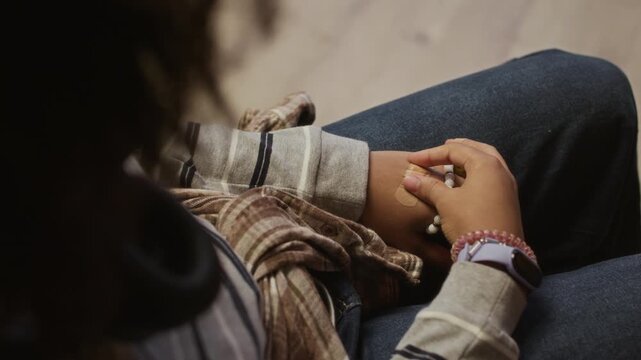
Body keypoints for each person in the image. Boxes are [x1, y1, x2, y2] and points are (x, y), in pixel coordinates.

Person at [3, 1, 640, 359]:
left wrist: (347, 181)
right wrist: (493, 271)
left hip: (259, 245)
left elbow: (150, 147)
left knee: (590, 98)